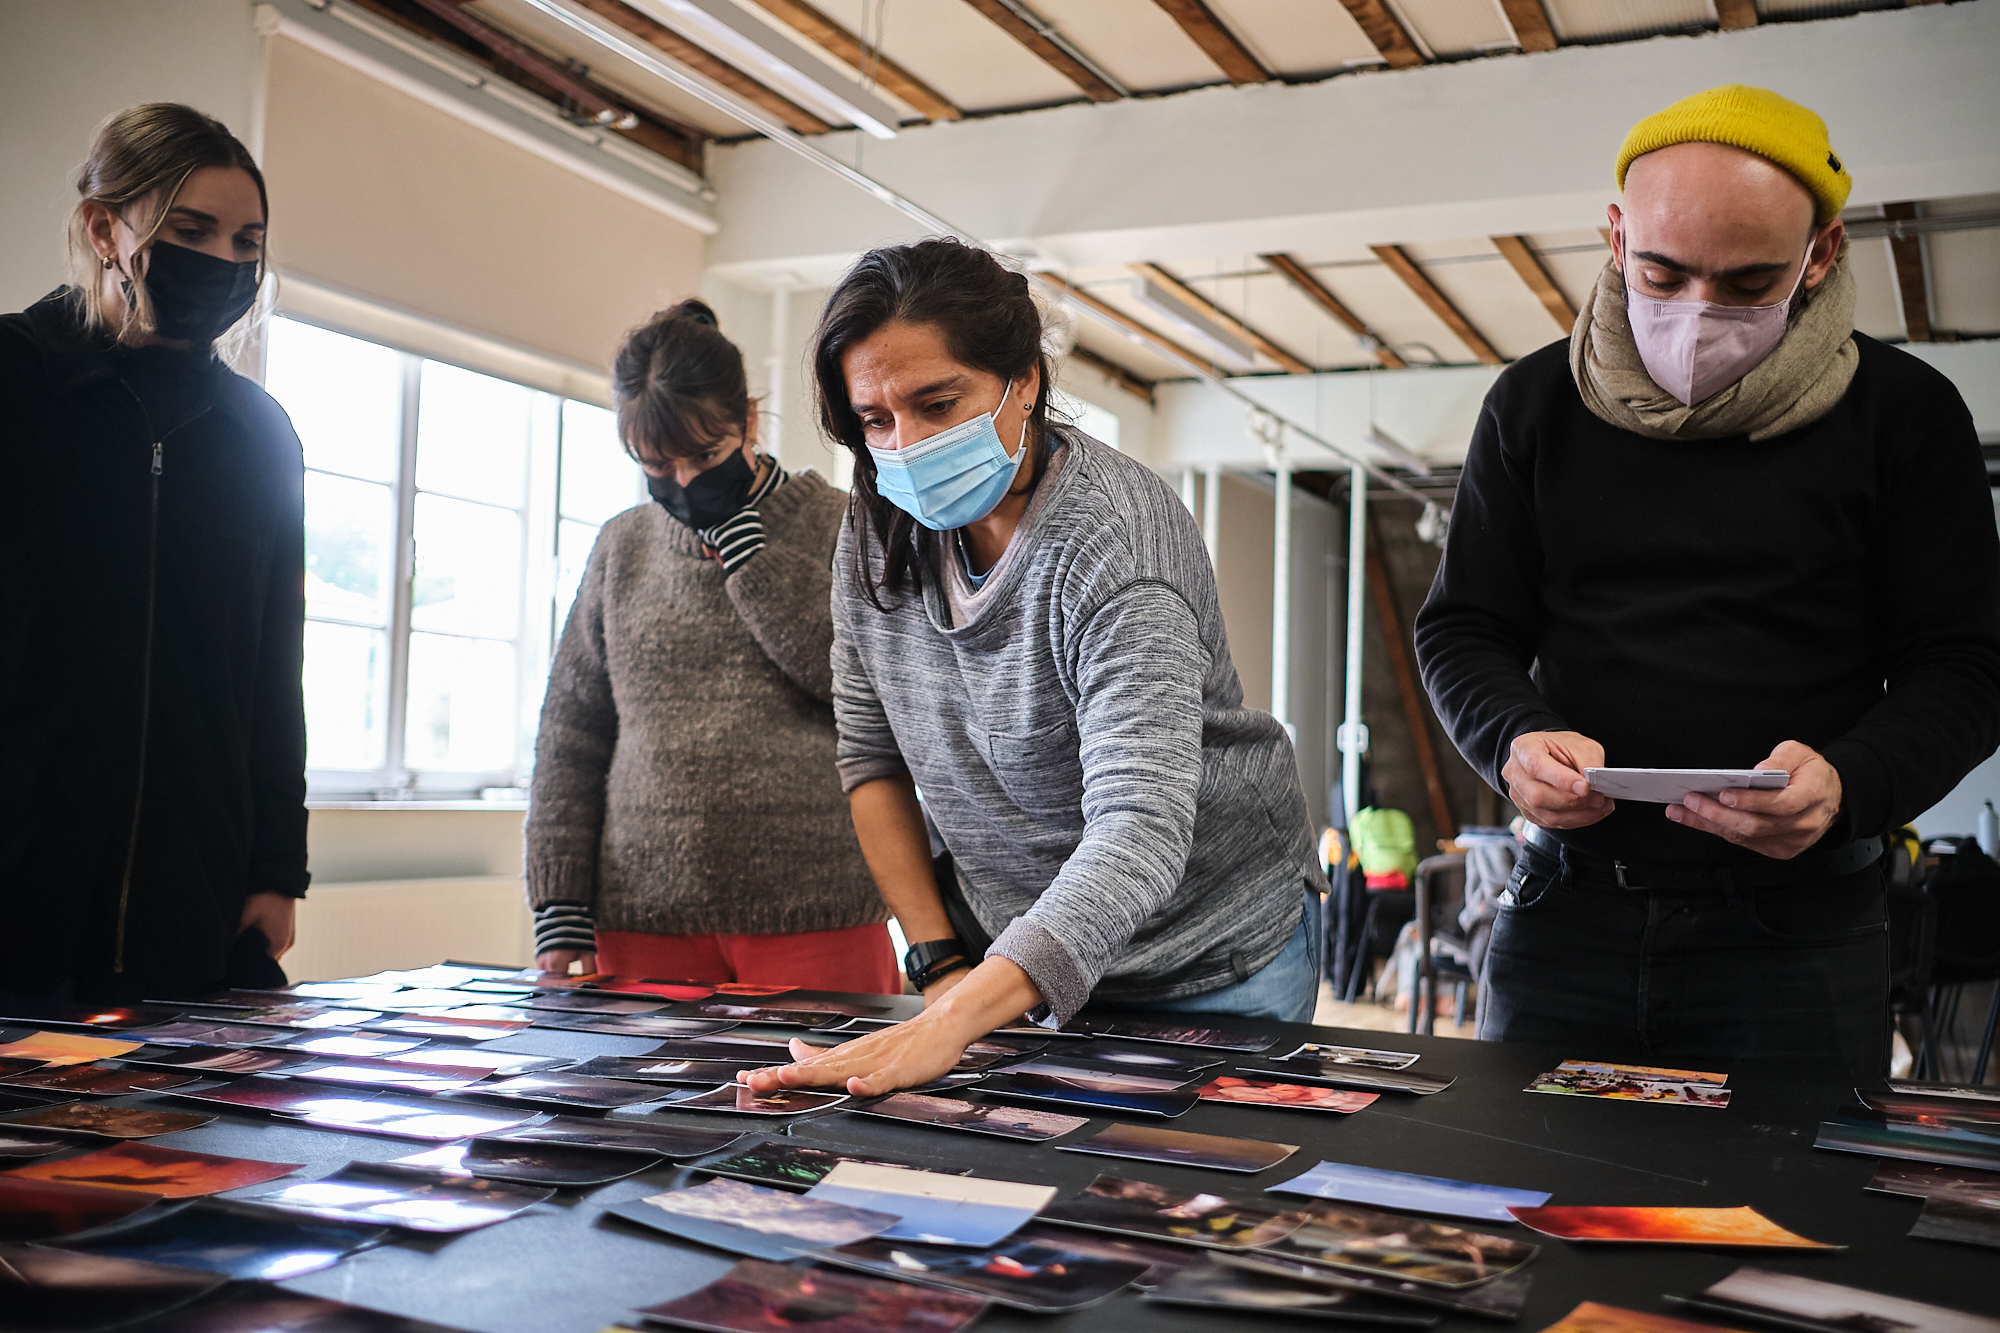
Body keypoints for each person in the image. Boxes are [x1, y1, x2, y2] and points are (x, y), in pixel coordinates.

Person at [1414, 85, 2000, 1075]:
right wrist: (1509, 739)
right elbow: (1461, 626)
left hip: (1799, 933)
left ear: (1818, 252)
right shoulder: (1532, 405)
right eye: (1662, 272)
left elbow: (1967, 666)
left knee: (1792, 1219)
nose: (1696, 314)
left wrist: (1848, 784)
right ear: (1612, 235)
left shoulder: (1904, 416)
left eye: (1744, 283)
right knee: (1529, 1209)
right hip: (1568, 913)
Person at [744, 239, 1326, 1099]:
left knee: (1172, 1212)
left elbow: (1140, 826)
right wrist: (939, 961)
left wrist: (951, 1019)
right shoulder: (873, 536)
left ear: (1023, 381)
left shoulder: (1111, 537)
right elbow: (872, 760)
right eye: (875, 419)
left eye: (938, 403)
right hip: (1012, 959)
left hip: (1207, 949)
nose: (904, 445)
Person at [0, 104, 308, 1007]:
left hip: (195, 910)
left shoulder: (261, 435)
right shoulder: (14, 382)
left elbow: (271, 668)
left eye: (247, 239)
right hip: (20, 891)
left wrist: (276, 868)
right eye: (190, 229)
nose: (224, 260)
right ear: (104, 227)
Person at [524, 300, 896, 992]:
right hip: (641, 916)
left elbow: (866, 687)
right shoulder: (621, 545)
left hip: (817, 911)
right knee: (642, 1103)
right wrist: (559, 905)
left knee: (821, 1102)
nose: (685, 482)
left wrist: (753, 562)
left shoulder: (842, 526)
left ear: (750, 421)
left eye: (704, 455)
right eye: (656, 464)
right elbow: (571, 732)